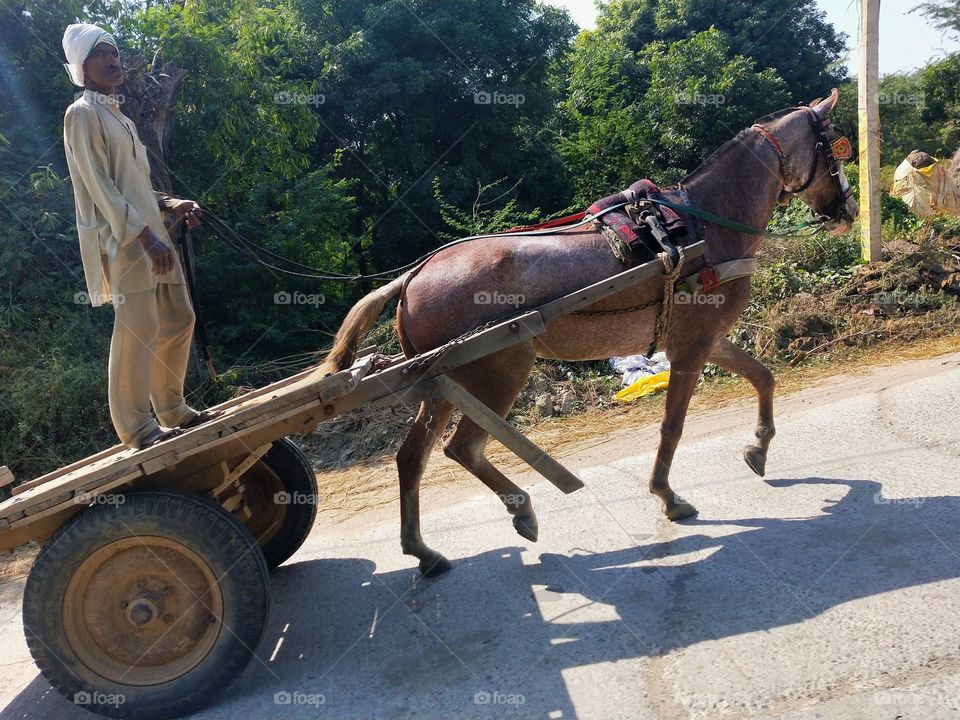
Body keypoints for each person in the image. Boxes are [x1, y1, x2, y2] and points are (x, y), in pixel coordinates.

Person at [61, 23, 220, 449]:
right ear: (82, 66)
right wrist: (142, 235)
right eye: (100, 55)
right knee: (138, 326)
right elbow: (100, 186)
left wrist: (170, 204)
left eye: (114, 53)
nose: (112, 62)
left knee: (178, 316)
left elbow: (134, 184)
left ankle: (170, 409)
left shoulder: (121, 118)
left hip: (152, 231)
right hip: (125, 240)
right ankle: (135, 427)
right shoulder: (82, 114)